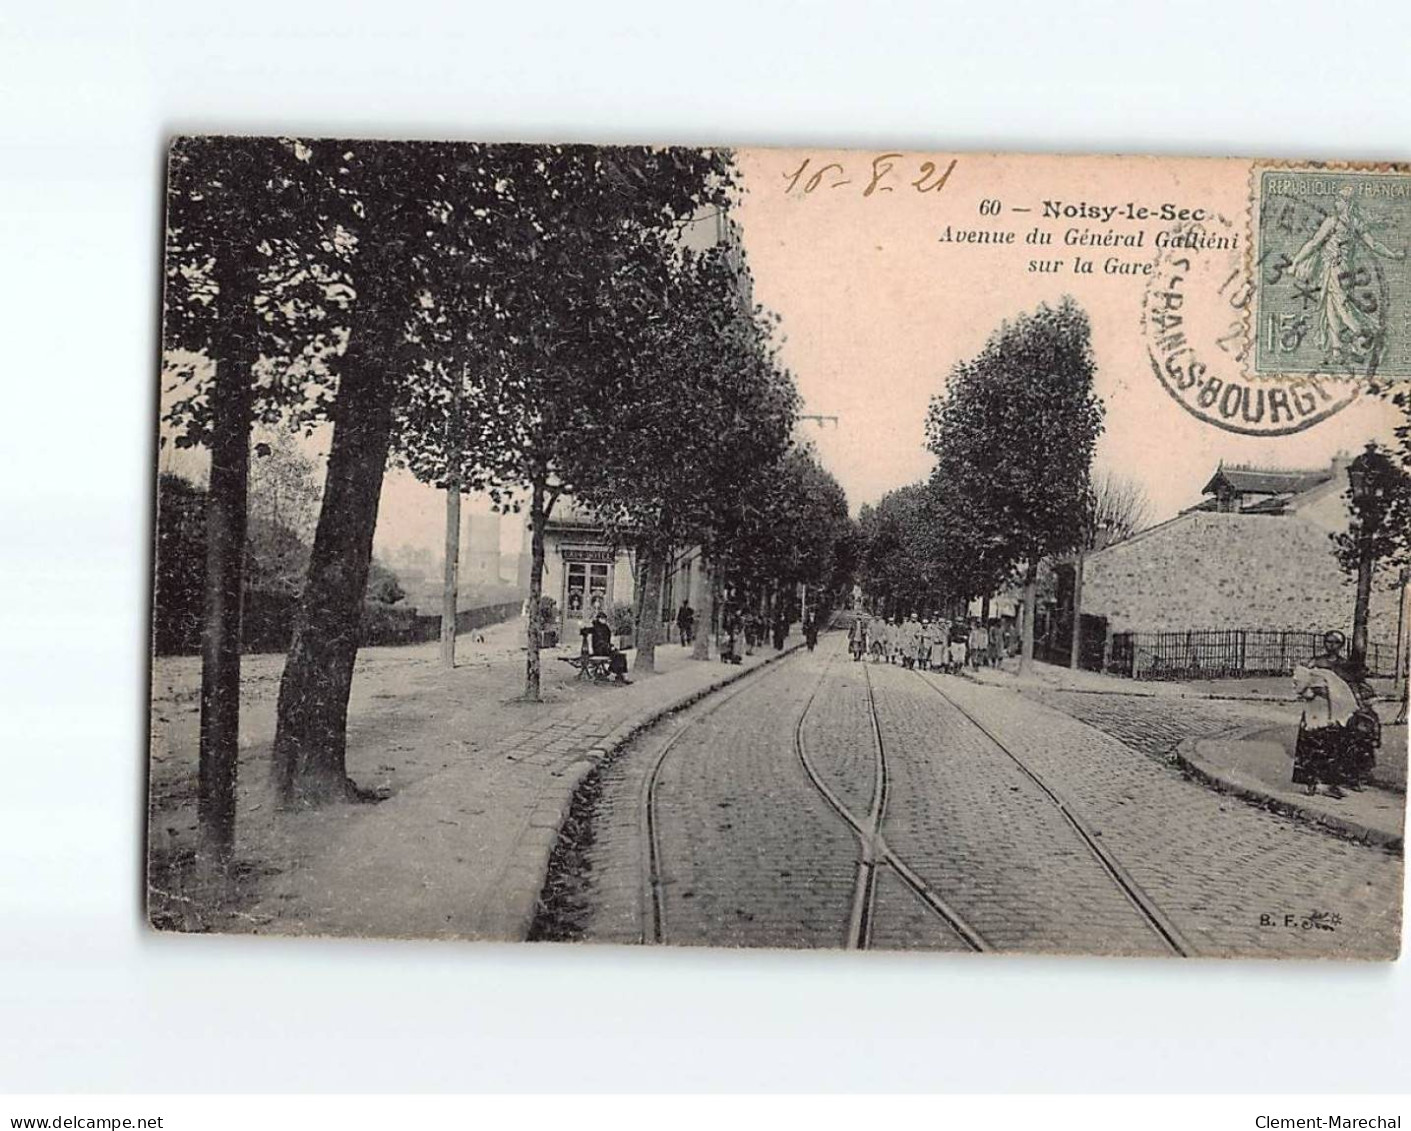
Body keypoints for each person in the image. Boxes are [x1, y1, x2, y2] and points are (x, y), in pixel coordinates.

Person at [587, 609, 631, 684]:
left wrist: (610, 646)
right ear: (599, 619)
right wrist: (608, 646)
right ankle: (614, 673)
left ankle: (623, 674)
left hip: (605, 648)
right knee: (616, 655)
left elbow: (607, 640)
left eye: (604, 619)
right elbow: (598, 641)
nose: (604, 620)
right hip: (599, 650)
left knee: (621, 655)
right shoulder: (596, 628)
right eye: (602, 618)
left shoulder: (605, 627)